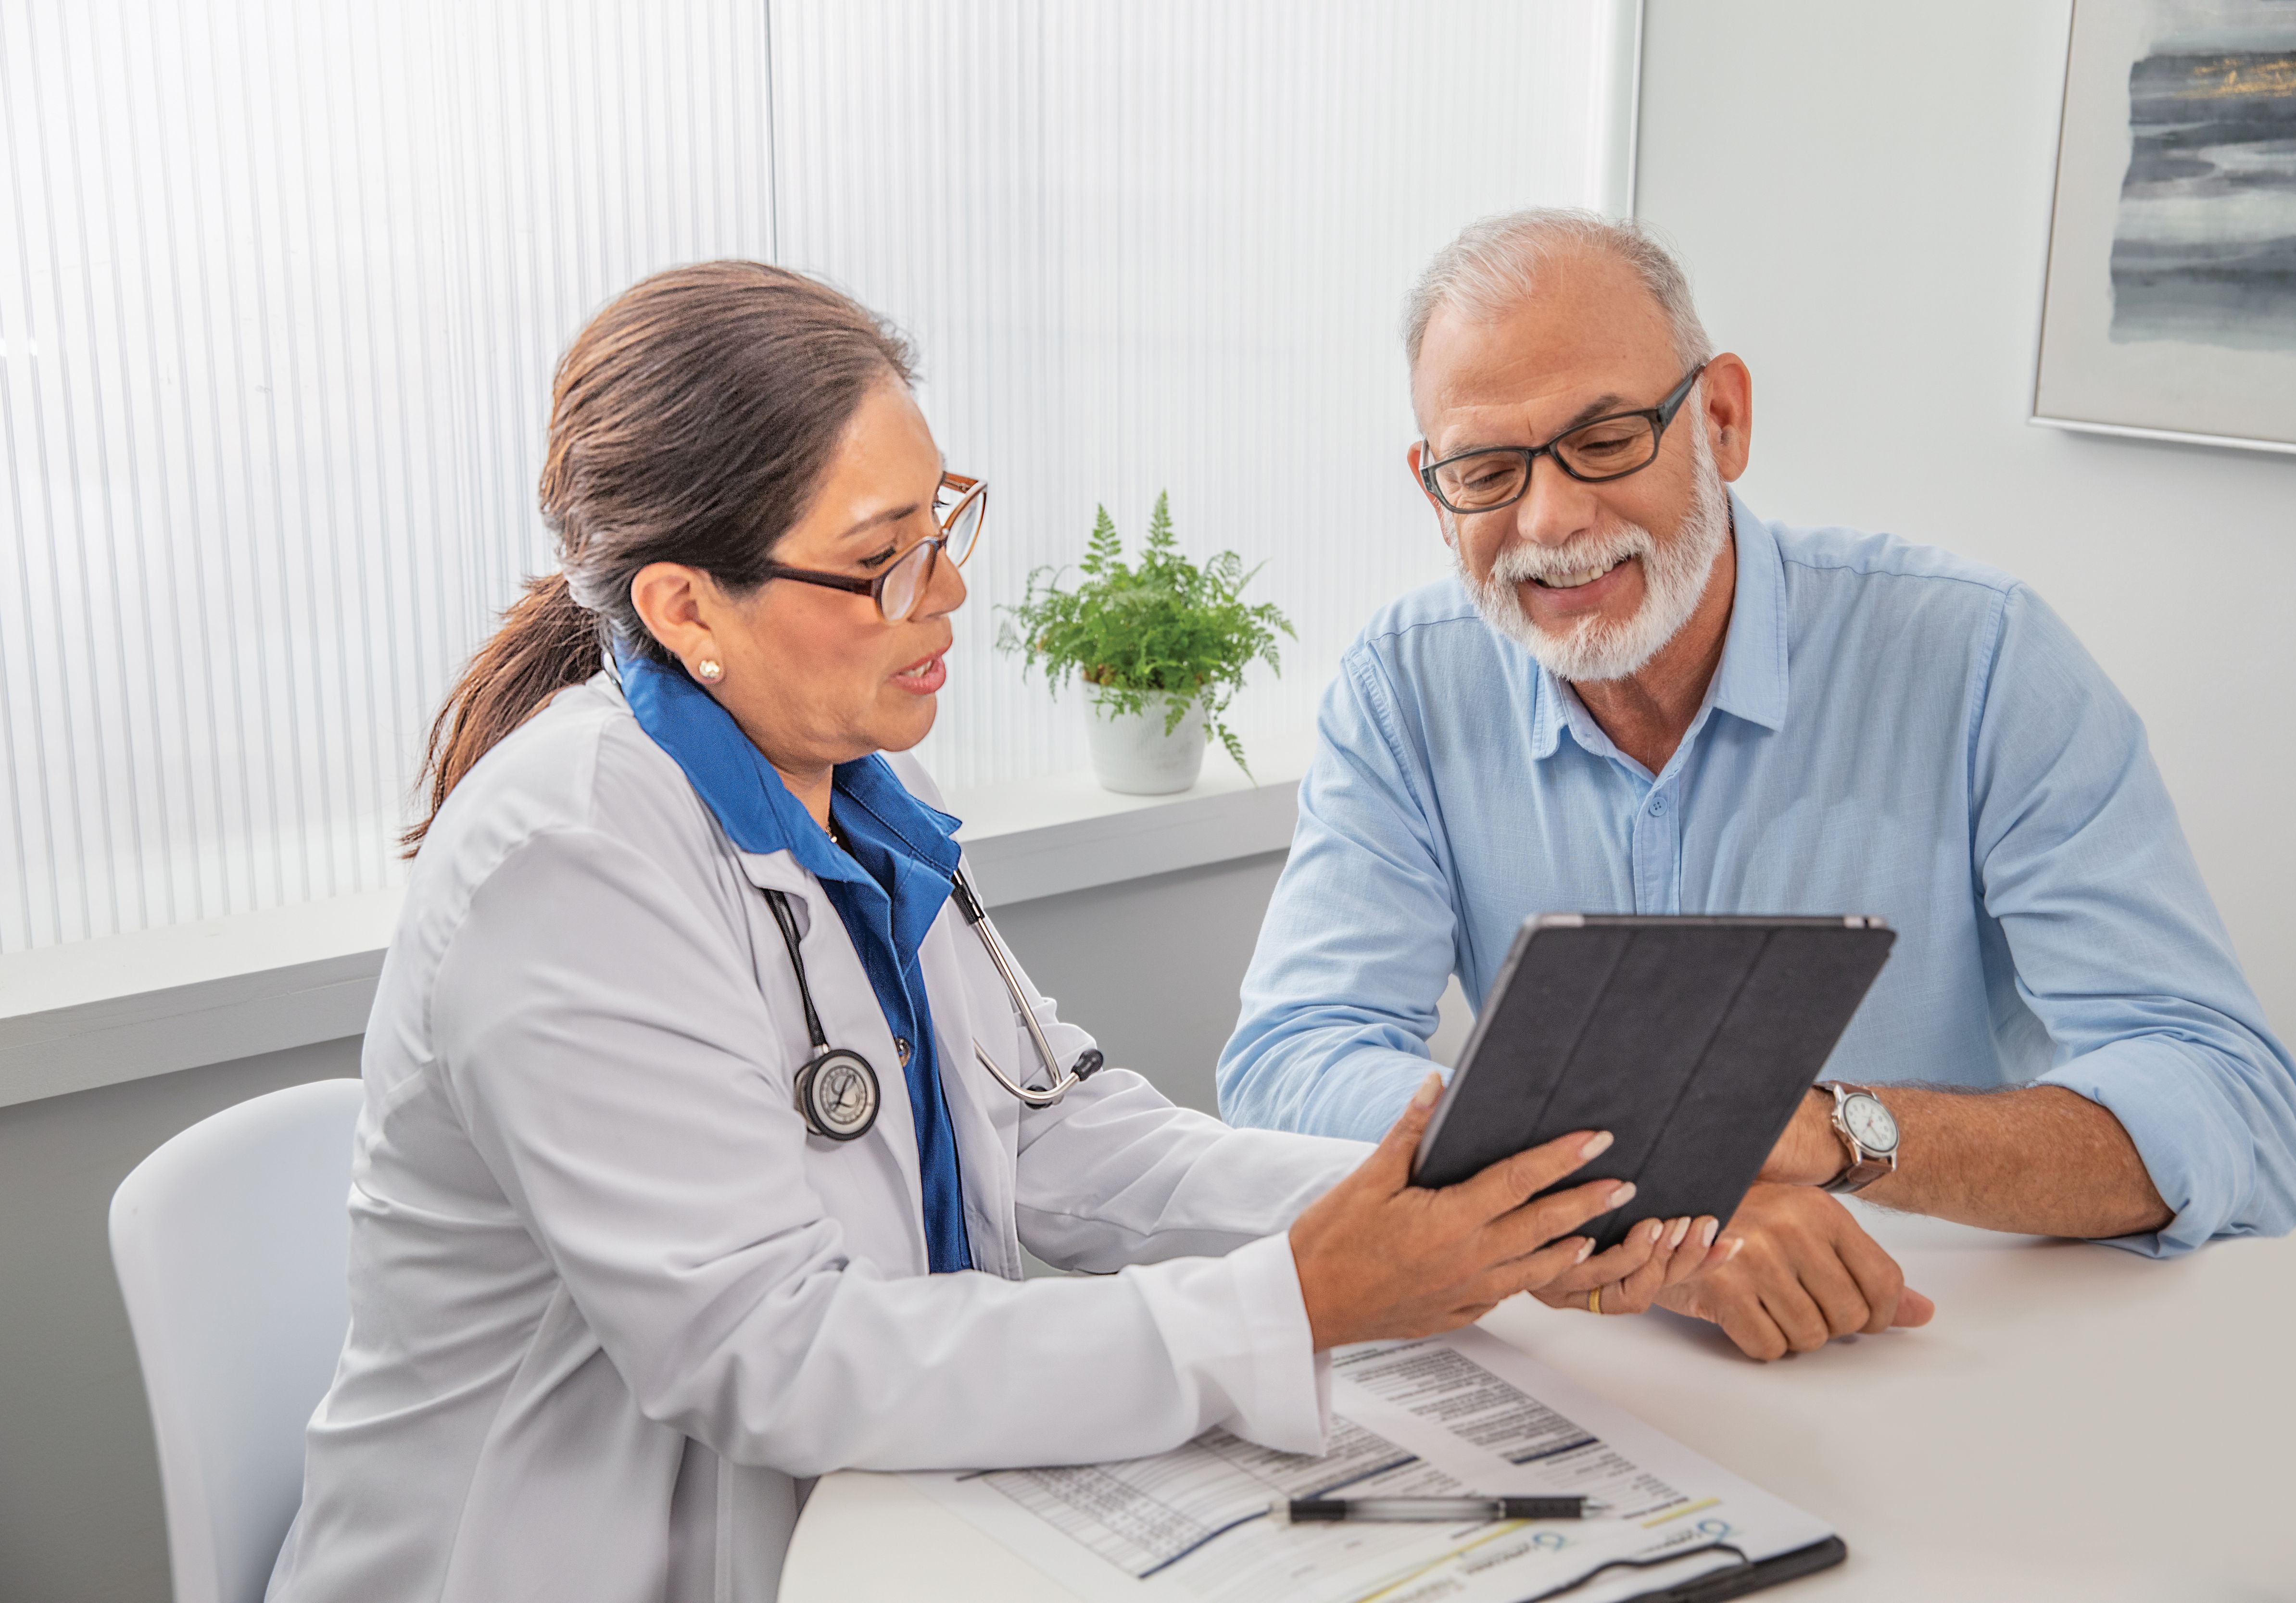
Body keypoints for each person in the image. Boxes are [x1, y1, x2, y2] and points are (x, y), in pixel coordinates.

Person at [265, 263, 1722, 1603]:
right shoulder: (569, 856)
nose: (948, 591)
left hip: (855, 1523)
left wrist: (1445, 1210)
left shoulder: (861, 792)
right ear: (683, 604)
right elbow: (768, 1353)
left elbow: (1062, 1133)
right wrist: (1296, 1298)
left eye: (942, 521)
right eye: (882, 557)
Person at [1217, 210, 2296, 1364]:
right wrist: (1647, 1197)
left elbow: (2230, 1103)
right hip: (1595, 1364)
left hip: (1937, 1346)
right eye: (1487, 470)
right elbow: (1292, 1057)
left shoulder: (1981, 656)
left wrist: (1836, 1134)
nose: (1549, 521)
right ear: (1437, 494)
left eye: (1604, 440)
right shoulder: (1404, 684)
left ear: (1722, 421)